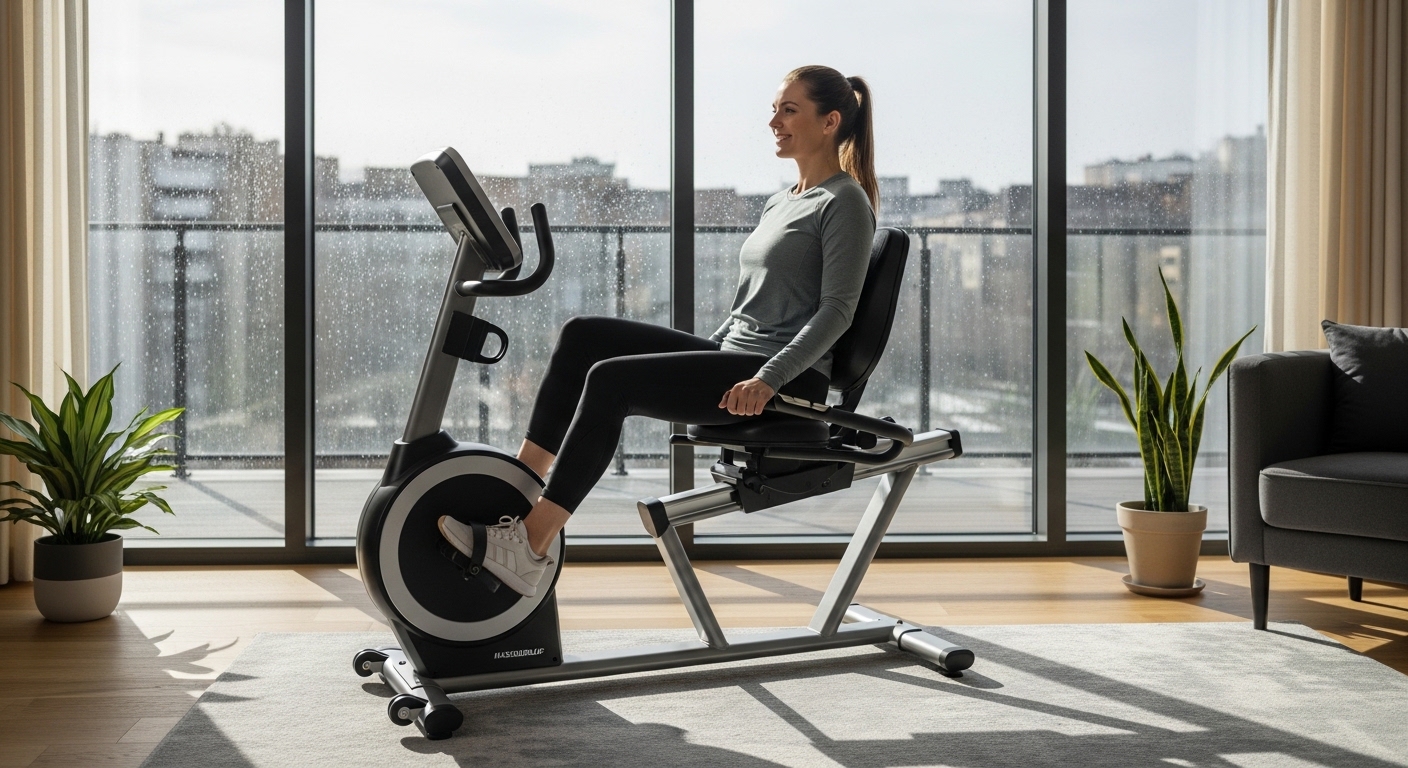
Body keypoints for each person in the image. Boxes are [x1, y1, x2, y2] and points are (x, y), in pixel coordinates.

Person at [439, 65, 879, 597]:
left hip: (785, 379)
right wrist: (704, 355)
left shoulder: (844, 202)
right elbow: (751, 309)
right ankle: (516, 489)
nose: (773, 121)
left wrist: (767, 378)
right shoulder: (782, 200)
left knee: (610, 381)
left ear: (830, 121)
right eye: (774, 108)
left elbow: (837, 311)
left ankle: (529, 546)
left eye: (789, 110)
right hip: (738, 357)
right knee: (585, 335)